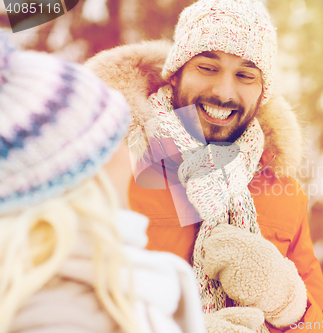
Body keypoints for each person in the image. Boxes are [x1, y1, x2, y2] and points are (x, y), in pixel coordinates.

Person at [86, 0, 323, 331]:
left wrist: (289, 303)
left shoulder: (281, 190)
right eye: (207, 67)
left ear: (263, 93)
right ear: (175, 74)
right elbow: (59, 308)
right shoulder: (115, 168)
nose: (223, 92)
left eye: (245, 75)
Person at [0, 34, 205, 333]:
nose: (129, 157)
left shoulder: (64, 286)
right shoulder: (69, 316)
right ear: (83, 172)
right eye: (115, 140)